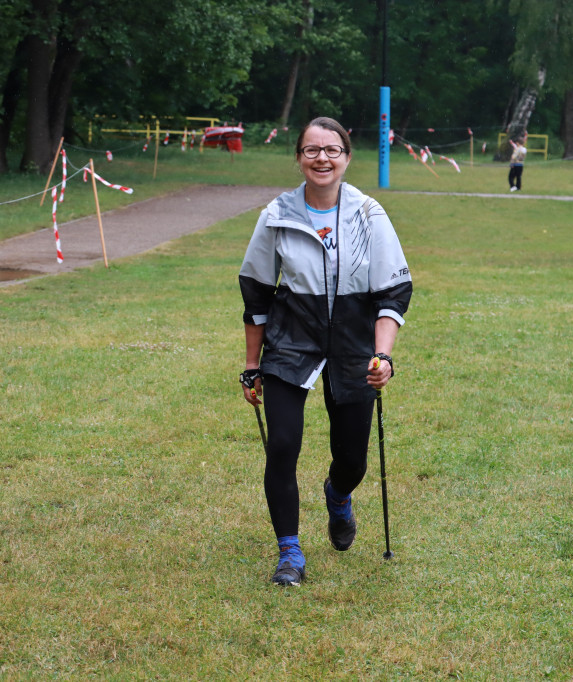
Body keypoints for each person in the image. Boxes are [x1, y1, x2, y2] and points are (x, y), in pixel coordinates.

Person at [238, 117, 413, 586]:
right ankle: (290, 553)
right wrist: (252, 365)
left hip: (354, 344)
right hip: (290, 340)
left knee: (352, 459)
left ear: (347, 157)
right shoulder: (276, 214)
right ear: (298, 157)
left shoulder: (369, 214)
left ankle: (338, 497)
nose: (322, 158)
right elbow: (255, 292)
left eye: (332, 150)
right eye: (312, 150)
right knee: (283, 445)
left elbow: (393, 292)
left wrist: (384, 356)